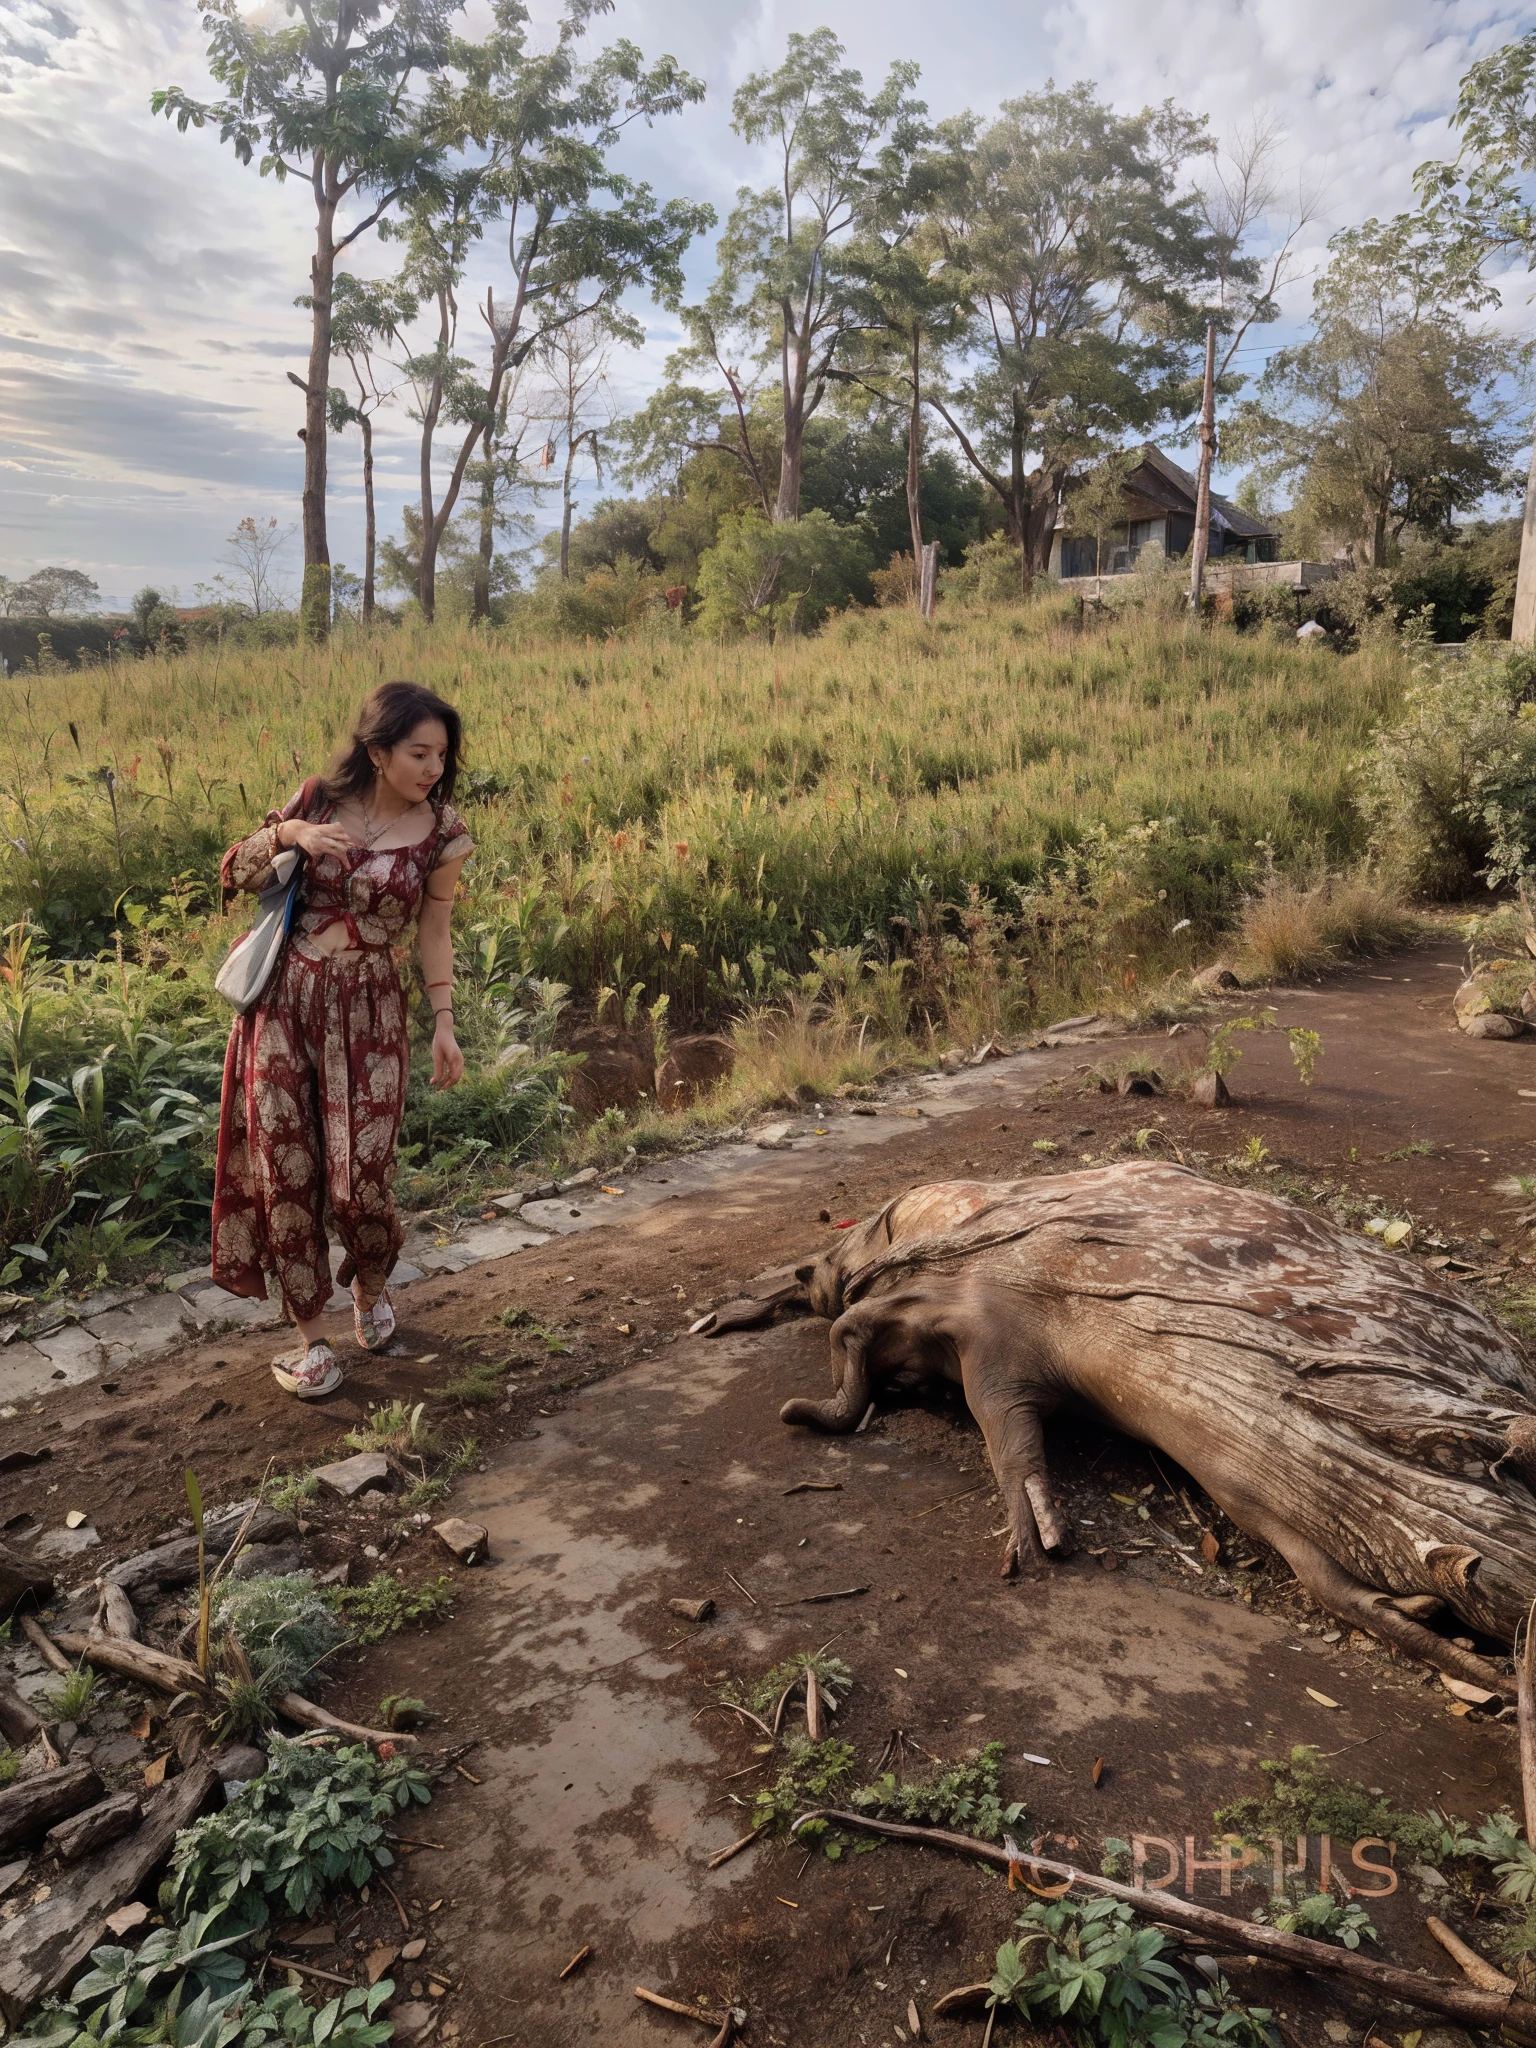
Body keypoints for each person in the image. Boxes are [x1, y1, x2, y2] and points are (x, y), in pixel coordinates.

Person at [211, 681, 472, 1398]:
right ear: (378, 751)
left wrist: (445, 1022)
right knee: (286, 1170)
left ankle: (370, 1290)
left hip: (370, 1014)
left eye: (442, 755)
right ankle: (312, 1342)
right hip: (283, 1005)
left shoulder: (443, 834)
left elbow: (435, 929)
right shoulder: (319, 798)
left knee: (362, 1177)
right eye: (419, 752)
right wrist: (291, 833)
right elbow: (234, 869)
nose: (433, 768)